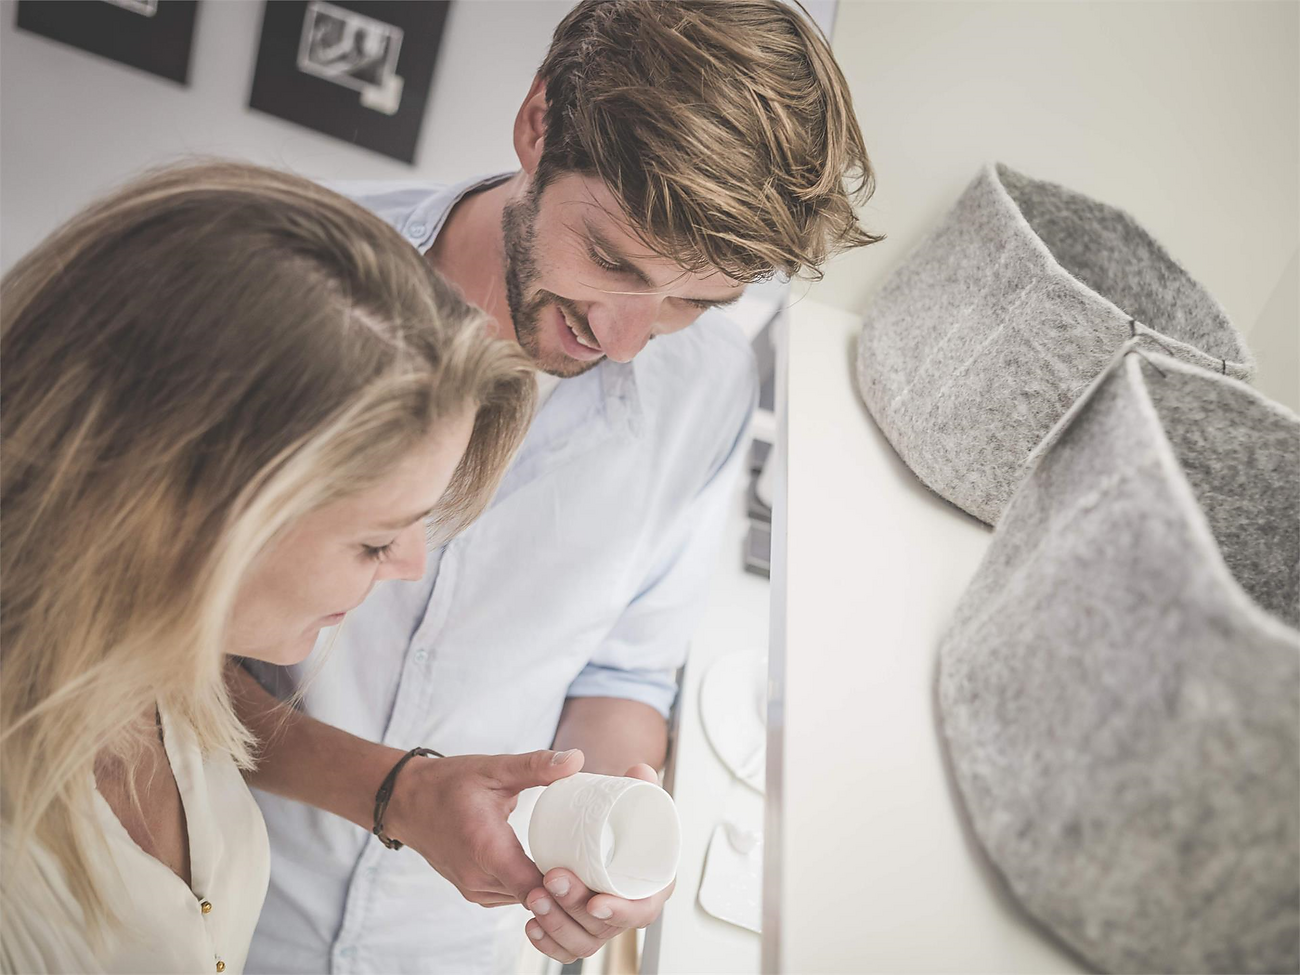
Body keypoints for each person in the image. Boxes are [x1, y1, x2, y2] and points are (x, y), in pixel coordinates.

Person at [237, 1, 882, 970]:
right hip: (220, 889)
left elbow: (622, 673)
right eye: (613, 259)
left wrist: (607, 833)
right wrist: (394, 792)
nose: (624, 339)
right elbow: (123, 640)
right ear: (539, 122)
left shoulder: (705, 387)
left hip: (460, 943)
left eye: (693, 301)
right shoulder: (276, 278)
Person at [0, 161, 537, 973]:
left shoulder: (163, 670)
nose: (410, 564)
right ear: (181, 503)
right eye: (375, 539)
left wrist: (409, 795)